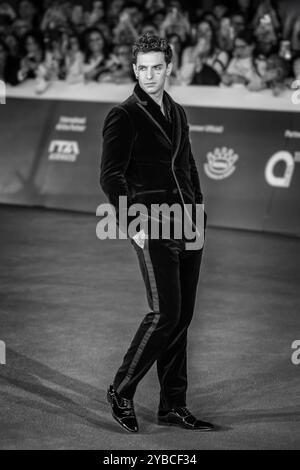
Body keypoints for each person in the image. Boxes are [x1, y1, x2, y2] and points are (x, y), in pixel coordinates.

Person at [100, 33, 214, 433]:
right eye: (142, 68)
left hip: (187, 225)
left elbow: (188, 166)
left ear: (168, 68)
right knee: (164, 313)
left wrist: (198, 213)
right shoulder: (124, 114)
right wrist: (134, 226)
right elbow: (110, 177)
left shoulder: (179, 112)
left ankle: (173, 405)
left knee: (181, 317)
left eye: (156, 67)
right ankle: (121, 389)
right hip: (151, 225)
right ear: (135, 69)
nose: (149, 75)